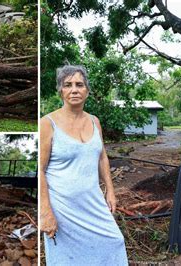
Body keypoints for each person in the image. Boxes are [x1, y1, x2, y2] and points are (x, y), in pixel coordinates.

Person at [40, 65, 128, 265]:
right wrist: (45, 212)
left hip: (93, 202)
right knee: (67, 258)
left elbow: (102, 157)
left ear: (87, 90)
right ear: (60, 91)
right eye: (68, 85)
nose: (74, 90)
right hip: (62, 207)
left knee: (115, 241)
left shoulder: (95, 122)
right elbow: (40, 170)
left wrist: (110, 191)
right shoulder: (47, 123)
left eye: (79, 84)